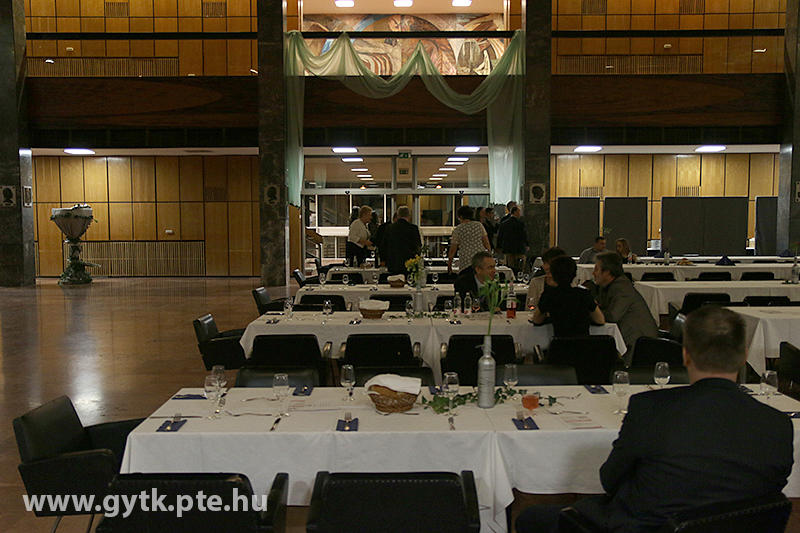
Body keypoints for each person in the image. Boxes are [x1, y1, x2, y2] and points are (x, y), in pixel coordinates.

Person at [516, 305, 794, 533]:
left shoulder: (651, 408)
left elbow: (610, 479)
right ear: (744, 356)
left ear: (685, 355)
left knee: (531, 518)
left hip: (645, 526)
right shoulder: (778, 425)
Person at [593, 251, 658, 354]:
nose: (593, 273)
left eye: (596, 269)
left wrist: (593, 313)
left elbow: (612, 316)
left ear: (607, 272)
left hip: (638, 342)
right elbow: (597, 302)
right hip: (626, 336)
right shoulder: (607, 286)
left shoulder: (621, 288)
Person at [533, 255, 604, 336]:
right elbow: (600, 320)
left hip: (560, 342)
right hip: (583, 342)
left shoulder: (549, 294)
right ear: (574, 274)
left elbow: (536, 320)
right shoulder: (584, 294)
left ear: (553, 274)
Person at [447, 205, 491, 274]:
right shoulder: (479, 225)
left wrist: (450, 263)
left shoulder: (458, 229)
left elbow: (453, 248)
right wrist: (489, 255)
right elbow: (485, 241)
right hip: (479, 256)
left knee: (466, 276)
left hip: (465, 258)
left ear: (461, 217)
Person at [384, 205, 421, 275]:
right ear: (409, 215)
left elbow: (384, 246)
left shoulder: (389, 228)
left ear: (398, 215)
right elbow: (417, 246)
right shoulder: (413, 228)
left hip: (393, 263)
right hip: (409, 264)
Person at [495, 206, 529, 273]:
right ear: (515, 212)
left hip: (508, 248)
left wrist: (498, 246)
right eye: (519, 211)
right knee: (520, 266)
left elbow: (500, 236)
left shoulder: (504, 223)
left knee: (510, 267)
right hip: (519, 248)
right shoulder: (520, 223)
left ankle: (511, 278)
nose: (520, 213)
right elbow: (524, 235)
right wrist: (527, 244)